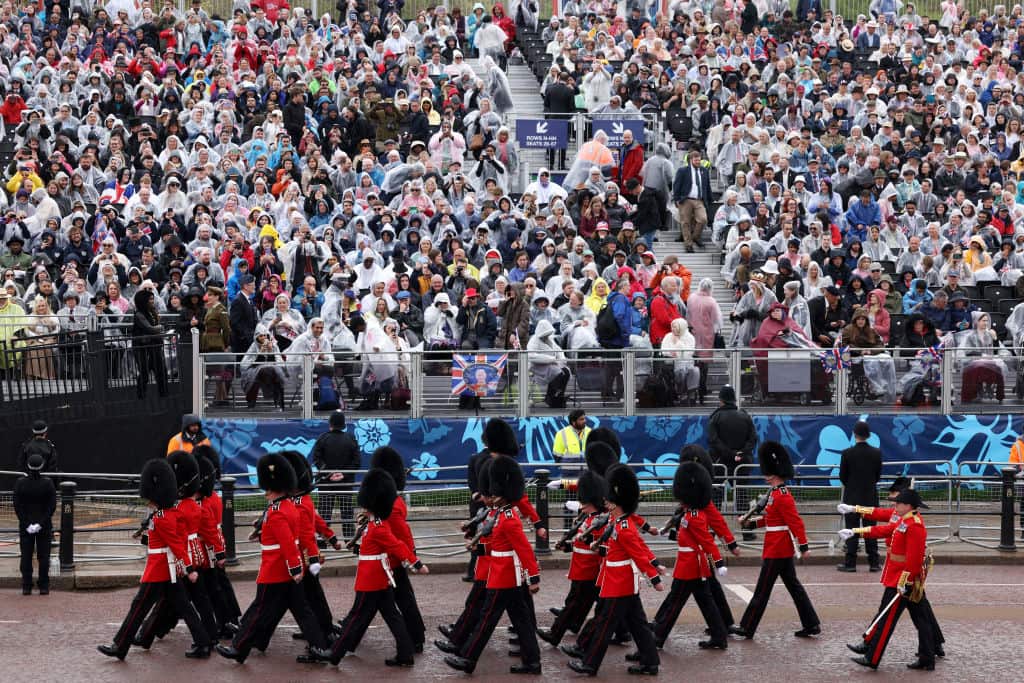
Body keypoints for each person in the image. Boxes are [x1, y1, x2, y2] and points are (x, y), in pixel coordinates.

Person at [216, 452, 328, 664]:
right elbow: (282, 538)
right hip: (287, 569)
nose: (265, 492)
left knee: (259, 610)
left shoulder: (276, 511)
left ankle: (239, 648)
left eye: (268, 488)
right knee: (303, 611)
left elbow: (286, 543)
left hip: (275, 569)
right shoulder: (289, 507)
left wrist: (295, 568)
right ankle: (319, 647)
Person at [97, 459, 212, 660]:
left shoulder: (161, 517)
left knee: (139, 607)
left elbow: (175, 544)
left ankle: (120, 646)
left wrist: (189, 568)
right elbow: (165, 539)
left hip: (159, 570)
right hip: (168, 571)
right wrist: (144, 537)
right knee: (184, 606)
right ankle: (203, 642)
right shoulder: (167, 514)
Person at [444, 456, 542, 675]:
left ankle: (468, 659)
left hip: (505, 575)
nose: (491, 496)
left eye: (494, 493)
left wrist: (533, 578)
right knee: (522, 621)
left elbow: (524, 550)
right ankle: (533, 662)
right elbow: (498, 547)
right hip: (502, 572)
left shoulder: (509, 518)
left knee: (487, 618)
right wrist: (478, 549)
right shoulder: (500, 515)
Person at [325, 467, 428, 668]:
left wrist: (416, 563)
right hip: (379, 577)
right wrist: (356, 546)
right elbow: (372, 547)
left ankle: (334, 654)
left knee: (356, 616)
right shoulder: (375, 523)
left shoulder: (379, 527)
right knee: (393, 616)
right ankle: (405, 654)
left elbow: (397, 545)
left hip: (371, 579)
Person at [567, 464, 663, 676]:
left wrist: (654, 576)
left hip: (619, 582)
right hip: (618, 580)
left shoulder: (624, 527)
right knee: (638, 624)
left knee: (604, 624)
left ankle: (590, 663)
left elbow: (638, 552)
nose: (606, 503)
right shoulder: (618, 521)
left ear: (617, 502)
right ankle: (650, 662)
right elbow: (628, 547)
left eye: (610, 500)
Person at [731, 441, 820, 640]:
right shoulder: (774, 494)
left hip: (778, 548)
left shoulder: (782, 496)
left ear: (773, 472)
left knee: (762, 591)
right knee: (794, 588)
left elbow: (795, 523)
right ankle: (811, 624)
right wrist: (749, 524)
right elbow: (770, 519)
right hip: (777, 546)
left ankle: (747, 627)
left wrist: (804, 546)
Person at [843, 488, 936, 671]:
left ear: (908, 505)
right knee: (922, 619)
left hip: (902, 581)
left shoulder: (914, 524)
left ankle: (872, 657)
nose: (895, 505)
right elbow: (884, 530)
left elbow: (914, 559)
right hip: (899, 577)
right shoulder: (904, 520)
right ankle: (927, 657)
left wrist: (905, 582)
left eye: (898, 503)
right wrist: (856, 532)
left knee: (887, 619)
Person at [651, 461, 728, 651]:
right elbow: (685, 537)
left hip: (691, 566)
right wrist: (666, 532)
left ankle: (657, 639)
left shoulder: (694, 516)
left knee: (675, 604)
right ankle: (719, 636)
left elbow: (707, 542)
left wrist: (718, 563)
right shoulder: (688, 513)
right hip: (691, 564)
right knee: (706, 602)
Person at [536, 469, 607, 648]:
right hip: (581, 568)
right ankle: (621, 630)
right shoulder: (588, 518)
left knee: (575, 604)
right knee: (585, 604)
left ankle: (555, 633)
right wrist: (567, 546)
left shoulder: (598, 521)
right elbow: (580, 543)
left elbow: (599, 546)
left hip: (589, 570)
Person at [369, 447, 427, 654]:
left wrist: (410, 559)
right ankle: (416, 634)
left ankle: (415, 637)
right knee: (400, 599)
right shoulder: (390, 500)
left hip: (392, 561)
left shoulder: (391, 505)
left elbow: (400, 536)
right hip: (391, 560)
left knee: (401, 600)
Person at [837, 421, 883, 573]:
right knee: (871, 530)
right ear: (868, 435)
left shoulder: (847, 453)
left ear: (854, 434)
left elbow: (842, 476)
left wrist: (852, 486)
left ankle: (850, 563)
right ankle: (874, 563)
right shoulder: (876, 453)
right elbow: (877, 476)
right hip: (870, 497)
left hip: (852, 497)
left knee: (851, 530)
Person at [311, 410, 361, 538]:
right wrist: (343, 474)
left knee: (324, 513)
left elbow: (317, 459)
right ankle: (349, 540)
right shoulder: (350, 438)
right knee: (347, 512)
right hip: (345, 483)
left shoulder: (323, 438)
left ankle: (323, 541)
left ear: (330, 424)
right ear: (344, 424)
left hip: (325, 483)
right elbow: (357, 462)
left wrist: (328, 472)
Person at [706, 386, 757, 507]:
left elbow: (713, 441)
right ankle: (743, 521)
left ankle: (715, 523)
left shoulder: (715, 417)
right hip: (742, 461)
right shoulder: (745, 416)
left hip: (720, 462)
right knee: (741, 492)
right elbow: (753, 439)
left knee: (716, 493)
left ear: (721, 400)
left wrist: (730, 454)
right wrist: (741, 453)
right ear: (734, 400)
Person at [13, 453, 56, 595]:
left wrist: (26, 523)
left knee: (26, 556)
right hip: (43, 525)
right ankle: (43, 586)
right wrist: (41, 523)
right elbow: (52, 506)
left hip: (26, 525)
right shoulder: (48, 483)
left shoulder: (20, 483)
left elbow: (17, 506)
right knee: (43, 556)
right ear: (42, 466)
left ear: (28, 466)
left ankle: (26, 586)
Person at [672, 149, 713, 253]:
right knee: (685, 222)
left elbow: (707, 186)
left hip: (699, 200)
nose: (698, 162)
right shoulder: (683, 171)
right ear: (690, 160)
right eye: (696, 160)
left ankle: (695, 236)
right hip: (686, 199)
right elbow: (676, 185)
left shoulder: (704, 171)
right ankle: (688, 244)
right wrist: (676, 199)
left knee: (703, 219)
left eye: (699, 160)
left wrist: (709, 199)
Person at [131, 289, 168, 398]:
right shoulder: (139, 314)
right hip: (142, 348)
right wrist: (161, 327)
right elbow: (150, 328)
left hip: (154, 346)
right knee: (144, 373)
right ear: (143, 301)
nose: (152, 301)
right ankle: (141, 397)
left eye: (153, 298)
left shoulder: (152, 311)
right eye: (150, 299)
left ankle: (164, 396)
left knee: (161, 372)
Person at [551, 409, 590, 475]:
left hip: (587, 473)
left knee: (586, 485)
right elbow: (557, 455)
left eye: (584, 418)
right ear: (573, 422)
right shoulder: (561, 434)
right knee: (567, 486)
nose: (584, 421)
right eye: (581, 419)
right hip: (568, 473)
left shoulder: (590, 432)